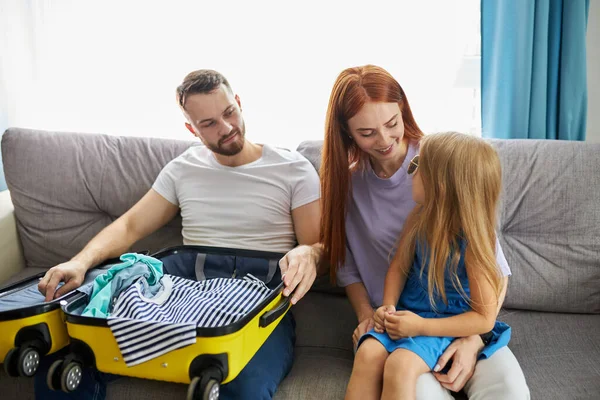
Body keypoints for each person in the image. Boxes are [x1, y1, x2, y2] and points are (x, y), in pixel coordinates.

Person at [35, 69, 324, 400]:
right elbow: (130, 226)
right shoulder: (183, 168)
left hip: (258, 306)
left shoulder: (293, 168)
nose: (226, 128)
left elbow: (317, 245)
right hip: (183, 296)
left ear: (240, 104)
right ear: (192, 129)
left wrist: (311, 252)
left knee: (243, 388)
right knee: (61, 366)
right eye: (209, 123)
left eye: (229, 112)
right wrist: (80, 262)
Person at [319, 65, 529, 399]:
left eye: (391, 124)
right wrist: (370, 315)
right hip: (400, 323)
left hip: (456, 324)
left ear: (402, 108)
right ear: (346, 133)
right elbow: (350, 266)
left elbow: (494, 275)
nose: (386, 140)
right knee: (393, 368)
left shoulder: (441, 162)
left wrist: (470, 338)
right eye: (367, 132)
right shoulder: (350, 186)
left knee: (509, 392)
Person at [347, 132, 512, 399]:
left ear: (442, 185)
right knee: (367, 353)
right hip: (409, 314)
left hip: (444, 325)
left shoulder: (474, 239)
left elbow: (485, 318)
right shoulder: (418, 218)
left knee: (401, 365)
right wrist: (387, 307)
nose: (411, 172)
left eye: (418, 166)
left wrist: (421, 327)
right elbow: (399, 267)